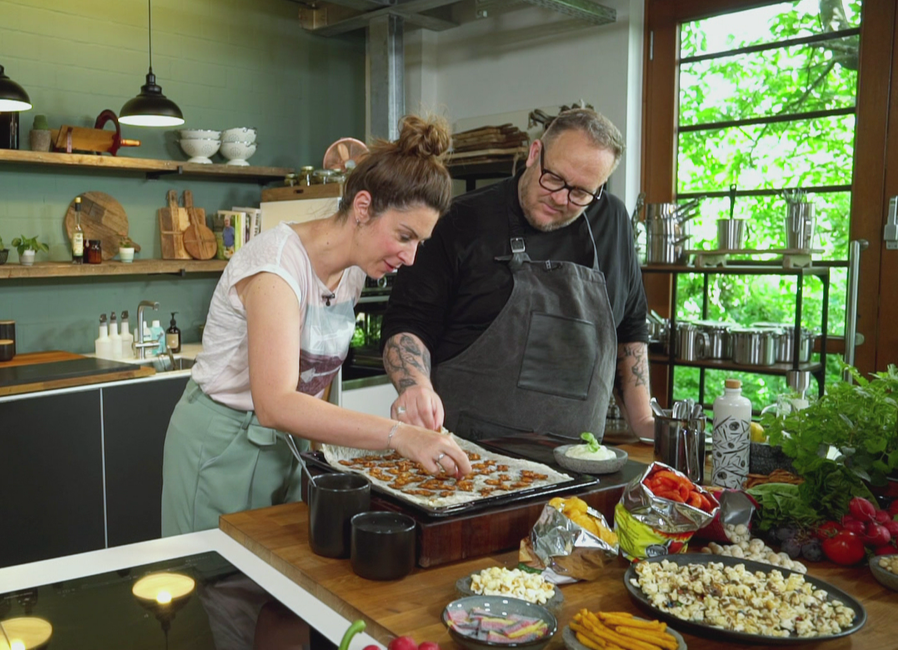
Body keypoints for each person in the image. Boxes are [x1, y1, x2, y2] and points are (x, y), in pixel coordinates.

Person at [161, 114, 473, 539]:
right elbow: (275, 404)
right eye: (404, 236)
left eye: (420, 242)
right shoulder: (276, 267)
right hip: (221, 447)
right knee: (213, 587)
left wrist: (320, 456)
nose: (411, 256)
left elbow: (315, 379)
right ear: (363, 208)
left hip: (285, 448)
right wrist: (399, 436)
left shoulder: (354, 272)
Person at [381, 108, 654, 442]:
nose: (560, 198)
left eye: (581, 193)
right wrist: (415, 388)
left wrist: (645, 424)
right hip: (467, 461)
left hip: (578, 469)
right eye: (553, 178)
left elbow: (629, 329)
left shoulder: (611, 221)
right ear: (535, 153)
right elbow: (408, 323)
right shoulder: (459, 221)